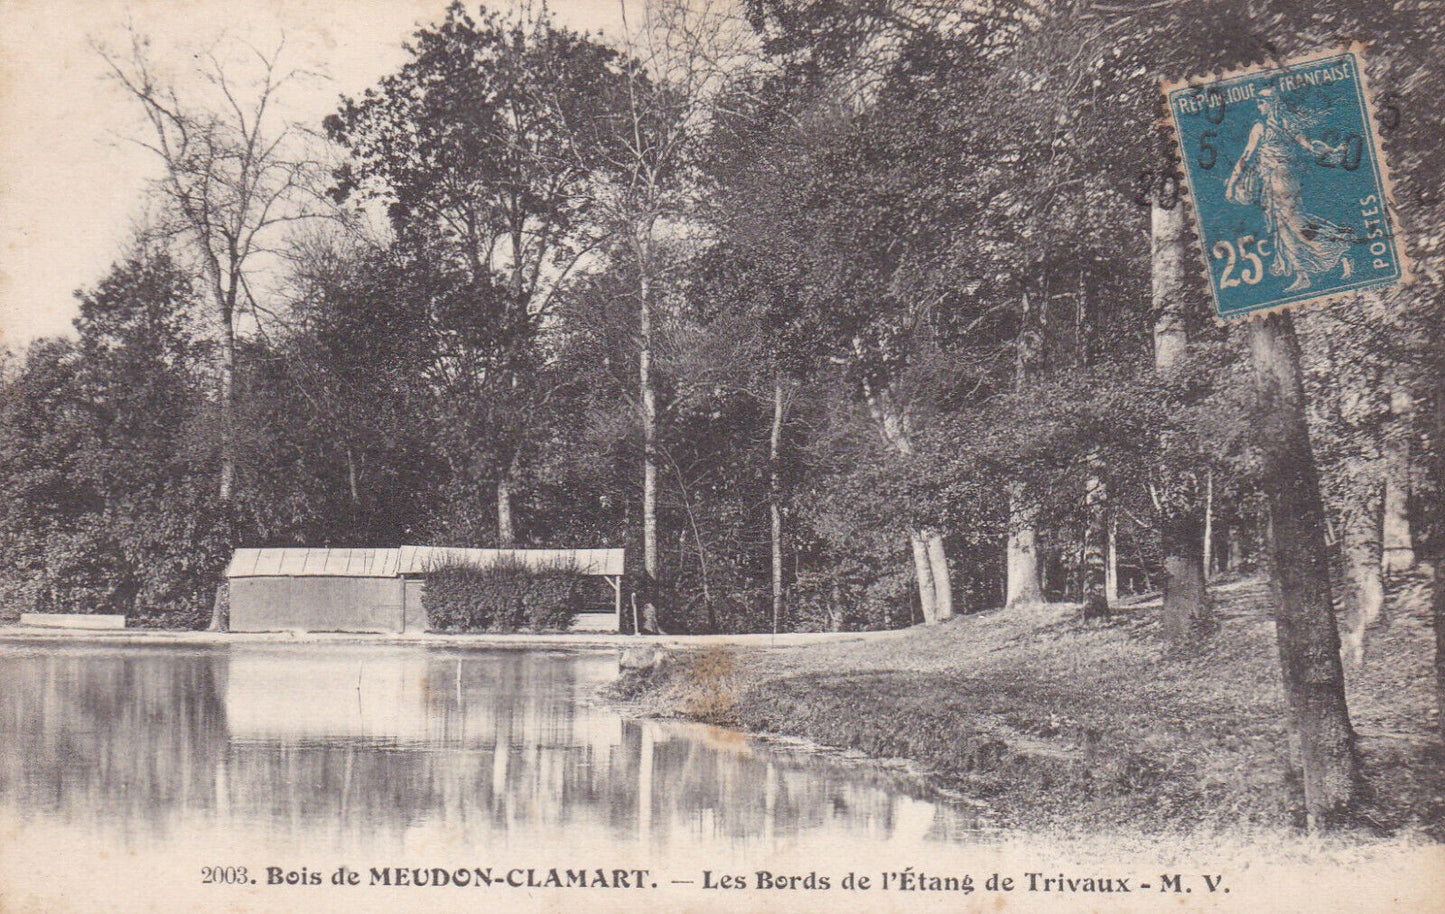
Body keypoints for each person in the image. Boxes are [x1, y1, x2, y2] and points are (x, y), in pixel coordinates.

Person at [1224, 87, 1354, 292]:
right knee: (1286, 226)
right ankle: (1306, 272)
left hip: (1278, 180)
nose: (1259, 106)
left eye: (1261, 102)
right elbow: (1310, 146)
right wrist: (1332, 151)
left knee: (1292, 225)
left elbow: (1245, 158)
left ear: (1272, 103)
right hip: (1281, 180)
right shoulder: (1286, 122)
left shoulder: (1263, 127)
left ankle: (1337, 250)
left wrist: (1232, 184)